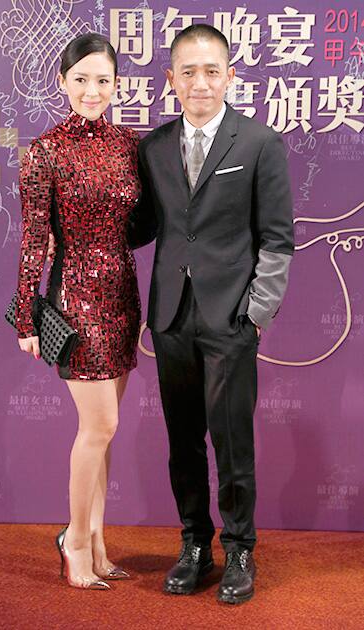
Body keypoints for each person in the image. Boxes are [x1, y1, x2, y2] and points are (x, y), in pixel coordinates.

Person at [128, 25, 294, 604]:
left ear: (229, 76)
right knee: (182, 440)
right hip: (170, 317)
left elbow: (277, 239)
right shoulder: (152, 148)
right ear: (170, 79)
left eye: (212, 71)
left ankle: (240, 547)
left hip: (231, 318)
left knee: (231, 439)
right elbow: (143, 226)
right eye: (188, 72)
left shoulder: (259, 145)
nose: (200, 83)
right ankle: (194, 545)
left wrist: (256, 314)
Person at [15, 33, 141, 589]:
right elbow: (33, 240)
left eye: (104, 80)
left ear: (117, 85)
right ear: (62, 82)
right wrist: (26, 315)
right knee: (100, 424)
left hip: (122, 293)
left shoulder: (128, 144)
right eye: (82, 79)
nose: (93, 90)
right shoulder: (44, 151)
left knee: (105, 432)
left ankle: (98, 538)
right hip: (76, 295)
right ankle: (74, 542)